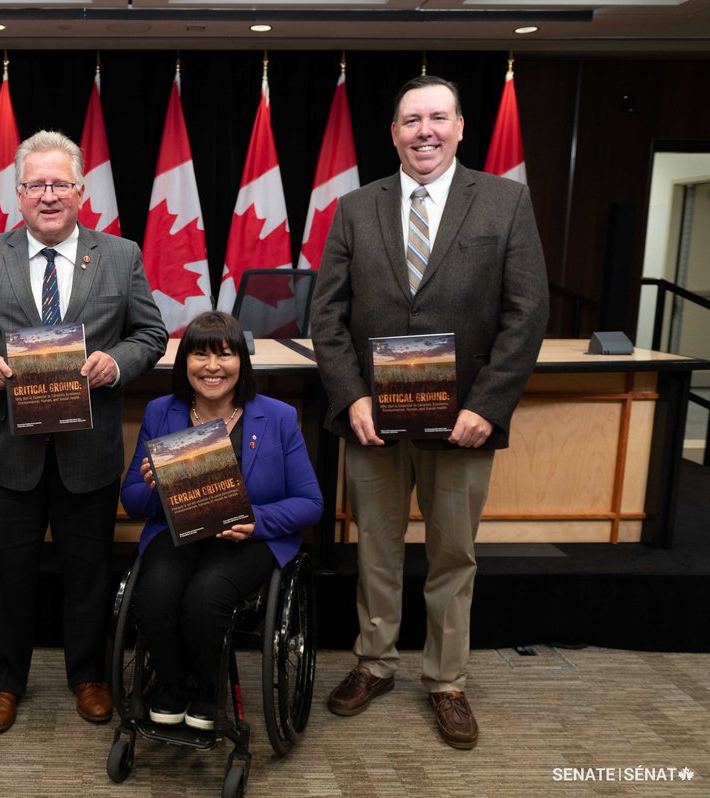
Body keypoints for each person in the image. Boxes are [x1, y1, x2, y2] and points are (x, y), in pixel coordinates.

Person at [310, 75, 548, 750]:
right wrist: (351, 395)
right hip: (373, 421)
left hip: (463, 422)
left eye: (438, 118)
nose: (425, 132)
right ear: (393, 133)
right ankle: (374, 662)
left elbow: (527, 312)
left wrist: (487, 406)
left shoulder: (505, 202)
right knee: (376, 549)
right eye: (411, 120)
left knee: (453, 554)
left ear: (460, 126)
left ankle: (446, 681)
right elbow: (326, 315)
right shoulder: (354, 208)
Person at [0, 130, 167, 734]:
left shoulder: (120, 254)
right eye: (36, 184)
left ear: (80, 191)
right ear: (18, 193)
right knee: (7, 574)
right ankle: (4, 682)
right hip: (9, 449)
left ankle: (89, 676)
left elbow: (151, 334)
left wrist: (117, 362)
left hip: (87, 450)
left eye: (59, 184)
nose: (48, 195)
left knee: (88, 570)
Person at [120, 311, 323, 729]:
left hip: (247, 539)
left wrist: (257, 520)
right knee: (154, 594)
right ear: (185, 363)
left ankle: (209, 692)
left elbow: (310, 503)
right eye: (200, 355)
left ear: (241, 362)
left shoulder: (277, 417)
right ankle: (173, 684)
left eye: (225, 355)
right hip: (179, 533)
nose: (212, 366)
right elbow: (132, 500)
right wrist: (158, 487)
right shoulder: (161, 413)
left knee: (204, 596)